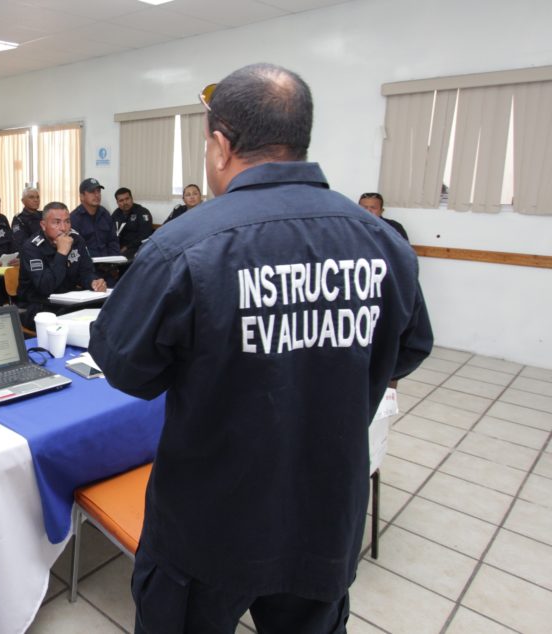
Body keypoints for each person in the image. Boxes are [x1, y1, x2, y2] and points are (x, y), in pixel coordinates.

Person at [88, 64, 434, 634]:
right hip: (324, 514)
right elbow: (409, 348)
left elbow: (126, 366)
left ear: (221, 146)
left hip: (208, 522)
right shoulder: (382, 241)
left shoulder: (183, 245)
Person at [17, 202, 105, 329]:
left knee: (107, 307)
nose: (63, 228)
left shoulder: (76, 240)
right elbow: (45, 287)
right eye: (56, 222)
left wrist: (93, 282)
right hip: (37, 305)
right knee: (70, 320)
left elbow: (86, 272)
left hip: (68, 300)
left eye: (67, 222)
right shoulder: (31, 248)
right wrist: (62, 253)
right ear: (43, 225)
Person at [69, 178, 119, 257]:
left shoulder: (105, 214)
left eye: (98, 191)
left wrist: (114, 261)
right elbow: (74, 248)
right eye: (92, 192)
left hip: (108, 263)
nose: (97, 195)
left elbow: (113, 241)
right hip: (86, 265)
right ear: (82, 196)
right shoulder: (74, 218)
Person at [111, 187, 153, 258]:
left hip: (136, 248)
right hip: (118, 247)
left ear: (132, 199)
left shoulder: (142, 212)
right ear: (117, 203)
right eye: (121, 200)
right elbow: (110, 233)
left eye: (127, 199)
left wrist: (127, 247)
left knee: (121, 259)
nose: (125, 202)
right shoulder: (116, 214)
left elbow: (145, 236)